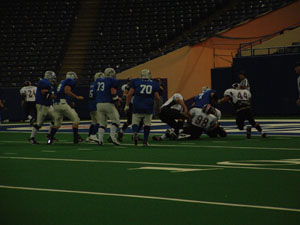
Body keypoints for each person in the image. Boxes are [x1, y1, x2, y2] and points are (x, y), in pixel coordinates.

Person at [125, 69, 160, 146]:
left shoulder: (136, 82)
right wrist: (158, 107)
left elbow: (129, 94)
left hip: (137, 105)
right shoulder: (154, 84)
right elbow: (157, 98)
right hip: (148, 106)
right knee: (147, 124)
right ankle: (145, 140)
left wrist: (127, 105)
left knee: (135, 122)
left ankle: (135, 132)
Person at [47, 71, 84, 144]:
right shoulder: (69, 81)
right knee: (76, 119)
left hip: (56, 104)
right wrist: (77, 97)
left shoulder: (62, 82)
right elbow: (67, 91)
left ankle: (50, 138)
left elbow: (63, 93)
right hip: (62, 103)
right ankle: (76, 138)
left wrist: (70, 101)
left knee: (57, 124)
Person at [153, 104, 226, 141]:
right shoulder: (213, 117)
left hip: (192, 127)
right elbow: (209, 129)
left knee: (176, 130)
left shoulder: (196, 110)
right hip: (200, 131)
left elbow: (188, 116)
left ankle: (166, 137)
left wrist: (190, 121)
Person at [28, 71, 57, 144]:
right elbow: (44, 92)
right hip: (42, 104)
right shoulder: (44, 82)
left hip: (48, 104)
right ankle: (31, 138)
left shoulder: (48, 83)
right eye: (52, 78)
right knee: (39, 123)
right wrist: (54, 97)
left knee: (55, 119)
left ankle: (49, 135)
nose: (53, 79)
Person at [94, 67, 120, 146]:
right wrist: (117, 100)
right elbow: (113, 92)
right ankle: (112, 137)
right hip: (108, 103)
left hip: (99, 104)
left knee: (102, 123)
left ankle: (100, 140)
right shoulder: (112, 80)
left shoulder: (98, 80)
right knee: (116, 121)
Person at [86, 72, 104, 142]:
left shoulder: (92, 84)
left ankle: (89, 136)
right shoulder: (98, 84)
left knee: (93, 122)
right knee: (100, 121)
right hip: (96, 104)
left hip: (91, 103)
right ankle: (93, 135)